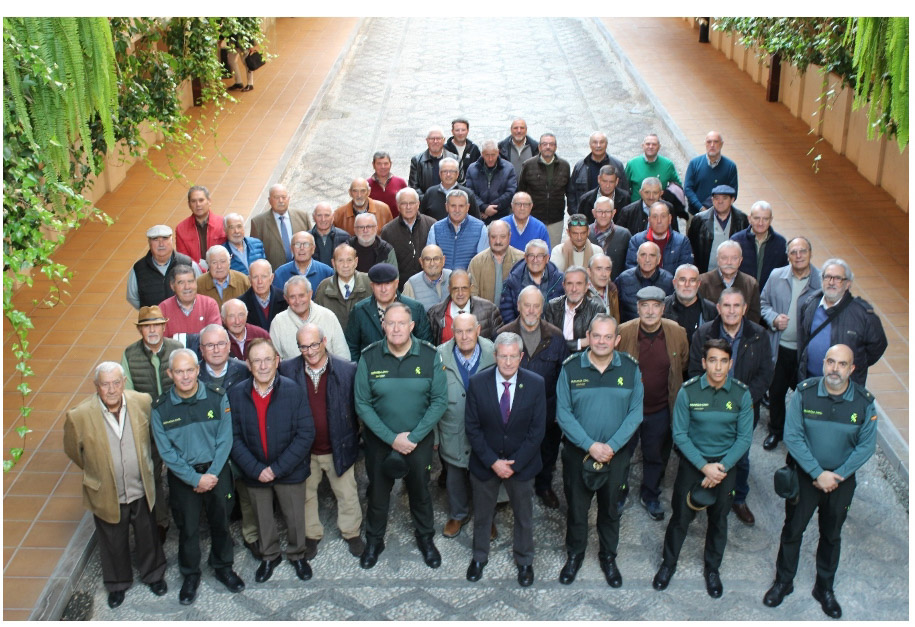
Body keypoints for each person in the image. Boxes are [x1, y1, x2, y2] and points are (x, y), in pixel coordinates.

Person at [762, 344, 877, 619]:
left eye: (841, 364)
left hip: (841, 481)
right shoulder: (805, 393)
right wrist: (817, 473)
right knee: (792, 530)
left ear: (852, 369)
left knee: (831, 534)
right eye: (830, 362)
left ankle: (824, 588)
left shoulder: (863, 402)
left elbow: (866, 447)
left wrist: (836, 475)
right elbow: (793, 436)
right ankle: (783, 582)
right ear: (823, 363)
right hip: (805, 477)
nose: (834, 369)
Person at [652, 339, 753, 597]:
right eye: (712, 360)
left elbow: (744, 438)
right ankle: (668, 564)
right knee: (680, 518)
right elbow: (680, 434)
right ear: (704, 362)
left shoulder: (741, 394)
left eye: (723, 361)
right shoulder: (689, 391)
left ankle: (712, 569)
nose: (717, 367)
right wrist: (703, 467)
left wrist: (720, 467)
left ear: (730, 364)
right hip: (694, 462)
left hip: (725, 465)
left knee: (719, 519)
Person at [64, 362, 167, 609]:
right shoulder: (79, 415)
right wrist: (98, 471)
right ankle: (117, 584)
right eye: (105, 384)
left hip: (140, 486)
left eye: (116, 382)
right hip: (106, 491)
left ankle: (153, 574)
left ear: (124, 382)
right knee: (112, 539)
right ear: (96, 386)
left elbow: (152, 438)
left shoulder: (141, 402)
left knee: (147, 534)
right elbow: (74, 452)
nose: (111, 389)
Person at [354, 302, 448, 569]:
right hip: (379, 444)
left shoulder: (430, 356)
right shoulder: (370, 356)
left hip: (418, 443)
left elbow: (439, 401)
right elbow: (362, 403)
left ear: (412, 327)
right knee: (378, 494)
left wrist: (414, 436)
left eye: (401, 323)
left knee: (421, 492)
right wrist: (391, 438)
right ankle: (374, 541)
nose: (396, 329)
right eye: (390, 323)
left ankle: (426, 539)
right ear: (383, 326)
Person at [150, 349, 244, 605]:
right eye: (179, 371)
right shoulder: (161, 408)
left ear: (197, 370)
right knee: (188, 529)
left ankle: (223, 566)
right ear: (170, 374)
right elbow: (166, 452)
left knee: (221, 522)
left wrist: (212, 474)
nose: (185, 376)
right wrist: (194, 478)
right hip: (184, 478)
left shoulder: (217, 397)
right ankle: (190, 574)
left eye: (190, 370)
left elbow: (225, 439)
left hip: (216, 472)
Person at [556, 314, 643, 588]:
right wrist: (590, 445)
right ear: (588, 337)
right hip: (577, 454)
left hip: (615, 457)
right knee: (577, 509)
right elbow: (563, 413)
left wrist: (612, 447)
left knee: (610, 510)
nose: (602, 341)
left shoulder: (630, 369)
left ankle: (608, 557)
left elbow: (635, 413)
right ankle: (575, 555)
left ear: (617, 339)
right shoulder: (571, 368)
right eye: (597, 336)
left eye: (608, 337)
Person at [229, 339, 315, 583]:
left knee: (295, 518)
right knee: (262, 518)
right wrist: (257, 469)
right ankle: (270, 556)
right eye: (257, 360)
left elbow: (305, 433)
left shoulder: (294, 390)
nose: (263, 365)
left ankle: (298, 555)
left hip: (289, 470)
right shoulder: (236, 394)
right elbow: (233, 437)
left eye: (268, 359)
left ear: (277, 361)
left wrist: (277, 469)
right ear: (248, 364)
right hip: (254, 472)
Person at [464, 332, 546, 587]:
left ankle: (524, 561)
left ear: (521, 357)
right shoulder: (478, 383)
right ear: (495, 355)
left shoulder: (535, 383)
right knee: (483, 514)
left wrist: (515, 464)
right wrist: (493, 462)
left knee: (523, 515)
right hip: (486, 462)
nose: (508, 362)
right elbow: (473, 428)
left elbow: (537, 430)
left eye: (513, 357)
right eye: (503, 356)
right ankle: (479, 556)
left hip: (521, 464)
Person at [279, 324, 364, 559]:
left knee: (347, 492)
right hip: (304, 449)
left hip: (339, 444)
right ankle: (311, 535)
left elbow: (357, 407)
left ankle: (352, 532)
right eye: (304, 346)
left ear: (324, 341)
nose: (310, 350)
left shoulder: (347, 370)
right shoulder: (286, 370)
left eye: (314, 344)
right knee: (305, 494)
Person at [689, 288, 772, 526]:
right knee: (704, 451)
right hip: (709, 409)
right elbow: (695, 371)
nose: (732, 311)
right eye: (727, 306)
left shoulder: (759, 335)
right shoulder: (704, 334)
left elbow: (765, 374)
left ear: (745, 309)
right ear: (718, 308)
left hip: (744, 409)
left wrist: (743, 401)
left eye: (737, 306)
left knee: (741, 456)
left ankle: (738, 497)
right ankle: (700, 495)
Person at [616, 287, 689, 520]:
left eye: (655, 306)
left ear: (662, 308)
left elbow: (683, 364)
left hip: (659, 409)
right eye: (644, 306)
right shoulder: (624, 332)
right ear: (637, 308)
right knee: (622, 454)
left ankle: (650, 494)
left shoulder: (676, 333)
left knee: (655, 455)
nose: (649, 311)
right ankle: (618, 493)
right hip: (628, 410)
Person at [497, 286, 570, 509]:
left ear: (542, 308)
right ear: (518, 306)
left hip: (547, 410)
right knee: (512, 451)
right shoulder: (503, 335)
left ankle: (544, 487)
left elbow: (563, 377)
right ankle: (508, 491)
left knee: (547, 452)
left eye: (536, 305)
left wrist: (560, 410)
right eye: (526, 305)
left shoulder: (556, 337)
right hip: (513, 412)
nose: (530, 310)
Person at [195, 323, 257, 557]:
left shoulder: (244, 370)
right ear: (201, 349)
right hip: (209, 445)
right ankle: (222, 539)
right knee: (217, 497)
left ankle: (252, 535)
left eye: (221, 343)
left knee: (247, 492)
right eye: (210, 345)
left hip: (242, 441)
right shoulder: (194, 375)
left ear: (229, 346)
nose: (216, 349)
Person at [435, 313, 496, 539]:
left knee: (485, 477)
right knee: (455, 475)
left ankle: (485, 517)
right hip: (452, 426)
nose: (464, 336)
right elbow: (432, 396)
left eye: (469, 330)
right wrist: (434, 437)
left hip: (485, 429)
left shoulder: (492, 352)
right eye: (458, 331)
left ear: (478, 330)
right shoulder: (440, 354)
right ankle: (458, 514)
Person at [759, 237, 822, 450]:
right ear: (788, 256)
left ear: (810, 253)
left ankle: (802, 435)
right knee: (776, 393)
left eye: (802, 251)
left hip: (807, 353)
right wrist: (773, 318)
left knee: (805, 396)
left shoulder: (821, 282)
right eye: (793, 252)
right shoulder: (777, 276)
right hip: (780, 348)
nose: (798, 256)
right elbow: (762, 303)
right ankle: (776, 430)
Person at [796, 258, 887, 386]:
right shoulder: (810, 303)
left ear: (848, 284)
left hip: (844, 388)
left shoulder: (863, 314)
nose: (832, 282)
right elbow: (803, 337)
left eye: (838, 278)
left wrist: (856, 364)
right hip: (811, 383)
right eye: (828, 277)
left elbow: (878, 346)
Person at [345, 263, 432, 356]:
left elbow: (425, 346)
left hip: (408, 368)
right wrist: (361, 369)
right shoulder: (359, 311)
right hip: (371, 368)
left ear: (396, 283)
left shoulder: (415, 308)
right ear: (372, 286)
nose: (383, 289)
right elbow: (351, 347)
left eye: (387, 283)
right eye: (378, 284)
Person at [269, 275, 349, 361]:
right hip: (291, 374)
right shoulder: (278, 322)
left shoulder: (328, 316)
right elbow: (274, 360)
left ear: (310, 294)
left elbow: (343, 355)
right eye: (292, 297)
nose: (298, 301)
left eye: (301, 295)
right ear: (286, 298)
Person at [127, 224, 200, 309]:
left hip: (185, 319)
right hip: (154, 321)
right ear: (149, 242)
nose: (161, 244)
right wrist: (150, 313)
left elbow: (201, 290)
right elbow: (132, 298)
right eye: (155, 240)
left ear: (171, 240)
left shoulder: (188, 264)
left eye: (165, 239)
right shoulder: (139, 268)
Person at [381, 187, 438, 291]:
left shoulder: (432, 225)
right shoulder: (387, 231)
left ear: (418, 204)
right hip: (401, 289)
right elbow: (386, 264)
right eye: (404, 203)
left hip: (429, 286)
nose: (408, 207)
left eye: (412, 203)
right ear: (398, 206)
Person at [518, 133, 571, 245]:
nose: (548, 147)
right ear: (539, 147)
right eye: (545, 144)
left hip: (556, 220)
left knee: (552, 251)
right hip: (533, 218)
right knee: (531, 250)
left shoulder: (564, 166)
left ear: (555, 147)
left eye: (551, 144)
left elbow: (569, 192)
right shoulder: (528, 165)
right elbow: (520, 191)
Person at [499, 239, 565, 324]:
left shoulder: (559, 281)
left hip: (551, 333)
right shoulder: (512, 281)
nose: (535, 260)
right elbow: (507, 312)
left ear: (547, 258)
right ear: (525, 258)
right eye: (531, 255)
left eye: (540, 256)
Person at [250, 184, 314, 270]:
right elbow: (255, 253)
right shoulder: (258, 223)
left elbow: (311, 243)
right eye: (276, 197)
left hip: (303, 270)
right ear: (269, 200)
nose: (281, 201)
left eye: (284, 197)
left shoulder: (302, 216)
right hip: (275, 274)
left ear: (288, 198)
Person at [427, 270, 502, 343]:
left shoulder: (490, 310)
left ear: (471, 288)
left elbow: (499, 344)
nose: (460, 293)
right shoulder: (434, 313)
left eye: (464, 288)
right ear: (449, 289)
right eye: (455, 289)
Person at [543, 266, 607, 352]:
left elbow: (594, 344)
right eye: (569, 284)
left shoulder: (597, 310)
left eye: (579, 284)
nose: (574, 289)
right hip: (555, 361)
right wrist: (580, 343)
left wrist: (562, 345)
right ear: (563, 286)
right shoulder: (552, 306)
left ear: (586, 286)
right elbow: (548, 343)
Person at [687, 184, 748, 273]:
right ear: (712, 200)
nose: (720, 201)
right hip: (705, 273)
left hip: (732, 273)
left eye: (725, 198)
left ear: (732, 200)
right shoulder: (699, 220)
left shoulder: (742, 220)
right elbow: (691, 246)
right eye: (716, 198)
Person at [697, 240, 762, 324]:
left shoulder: (751, 284)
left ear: (740, 260)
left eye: (734, 258)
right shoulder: (702, 282)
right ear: (717, 259)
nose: (729, 262)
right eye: (724, 258)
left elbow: (754, 318)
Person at [567, 131, 628, 217]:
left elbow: (624, 191)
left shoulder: (617, 165)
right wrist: (576, 213)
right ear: (590, 144)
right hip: (586, 215)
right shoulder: (580, 166)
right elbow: (571, 192)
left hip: (612, 216)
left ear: (606, 144)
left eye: (601, 142)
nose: (598, 145)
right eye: (595, 142)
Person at [729, 200, 787, 289]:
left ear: (771, 220)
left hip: (768, 296)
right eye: (756, 218)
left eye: (765, 219)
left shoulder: (780, 243)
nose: (760, 223)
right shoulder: (736, 240)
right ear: (749, 219)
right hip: (741, 294)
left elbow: (784, 272)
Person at [426, 189, 488, 271]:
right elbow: (430, 261)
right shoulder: (435, 229)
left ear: (467, 207)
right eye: (453, 206)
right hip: (442, 282)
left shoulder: (481, 229)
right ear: (446, 207)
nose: (457, 210)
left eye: (461, 206)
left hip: (469, 282)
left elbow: (482, 264)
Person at [313, 243, 370, 330]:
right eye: (340, 261)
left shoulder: (369, 283)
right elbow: (317, 320)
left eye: (349, 260)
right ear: (333, 263)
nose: (345, 265)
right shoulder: (324, 287)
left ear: (356, 261)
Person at [624, 202, 693, 274]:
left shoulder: (682, 242)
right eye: (654, 217)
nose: (659, 221)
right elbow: (631, 269)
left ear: (670, 219)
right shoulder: (636, 241)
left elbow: (685, 272)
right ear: (649, 220)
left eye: (663, 216)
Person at [468, 220, 525, 306]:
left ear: (509, 236)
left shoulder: (522, 260)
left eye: (502, 236)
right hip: (485, 316)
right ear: (488, 236)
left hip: (515, 317)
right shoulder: (476, 262)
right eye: (493, 237)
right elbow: (472, 295)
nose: (498, 241)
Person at [614, 242, 674, 323]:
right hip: (629, 331)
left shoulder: (668, 280)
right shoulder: (623, 279)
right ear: (637, 258)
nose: (647, 260)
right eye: (643, 255)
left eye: (652, 255)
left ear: (659, 259)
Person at [683, 130, 739, 215]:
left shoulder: (730, 167)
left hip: (720, 216)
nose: (712, 145)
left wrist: (719, 209)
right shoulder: (694, 163)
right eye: (709, 142)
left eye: (716, 142)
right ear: (705, 144)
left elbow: (733, 193)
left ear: (721, 144)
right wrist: (701, 208)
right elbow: (688, 189)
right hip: (696, 215)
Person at [464, 139, 518, 224]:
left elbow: (511, 192)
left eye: (493, 155)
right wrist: (483, 208)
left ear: (498, 152)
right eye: (487, 155)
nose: (490, 159)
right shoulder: (472, 169)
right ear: (482, 154)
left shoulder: (508, 168)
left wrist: (491, 208)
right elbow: (469, 192)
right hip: (478, 217)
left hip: (502, 216)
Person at [159, 264, 221, 337]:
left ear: (196, 283)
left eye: (190, 281)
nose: (187, 287)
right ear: (172, 286)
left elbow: (216, 337)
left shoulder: (209, 304)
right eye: (181, 283)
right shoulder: (163, 309)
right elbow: (163, 343)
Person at [662, 264, 717, 345]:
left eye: (692, 280)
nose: (687, 285)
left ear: (698, 284)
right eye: (682, 280)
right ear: (674, 283)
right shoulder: (662, 307)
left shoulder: (711, 310)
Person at [175, 185, 226, 266]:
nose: (198, 204)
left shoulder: (223, 224)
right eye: (193, 201)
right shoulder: (181, 229)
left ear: (209, 201)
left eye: (201, 200)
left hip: (221, 269)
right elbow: (183, 258)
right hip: (194, 272)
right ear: (189, 204)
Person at [587, 196, 631, 280]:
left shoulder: (624, 235)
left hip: (617, 286)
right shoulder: (585, 234)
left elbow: (628, 264)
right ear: (594, 213)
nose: (603, 215)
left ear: (613, 213)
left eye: (607, 211)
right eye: (599, 211)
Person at [409, 126, 457, 199]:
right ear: (427, 140)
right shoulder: (417, 161)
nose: (435, 141)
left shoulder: (455, 160)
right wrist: (428, 201)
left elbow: (460, 185)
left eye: (438, 138)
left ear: (444, 140)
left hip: (450, 205)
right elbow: (414, 187)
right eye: (432, 139)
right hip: (426, 206)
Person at [239, 259, 288, 331]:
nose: (260, 281)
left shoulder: (285, 299)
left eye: (264, 276)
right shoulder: (241, 304)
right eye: (255, 277)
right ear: (249, 279)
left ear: (271, 278)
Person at [402, 245, 452, 309]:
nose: (432, 263)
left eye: (436, 259)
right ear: (421, 262)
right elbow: (404, 313)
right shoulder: (411, 285)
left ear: (443, 260)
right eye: (427, 259)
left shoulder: (453, 278)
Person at [368, 151, 409, 218]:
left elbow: (408, 203)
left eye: (386, 163)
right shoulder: (366, 185)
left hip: (397, 225)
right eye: (379, 164)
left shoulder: (401, 183)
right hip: (374, 226)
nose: (383, 167)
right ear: (373, 165)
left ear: (390, 164)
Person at [309, 202, 350, 266]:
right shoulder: (306, 238)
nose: (323, 219)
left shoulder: (344, 237)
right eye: (319, 215)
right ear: (314, 217)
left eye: (327, 215)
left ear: (333, 217)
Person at [445, 118, 481, 183]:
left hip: (469, 187)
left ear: (468, 131)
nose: (460, 133)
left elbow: (479, 170)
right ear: (452, 131)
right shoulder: (444, 149)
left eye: (463, 130)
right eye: (457, 130)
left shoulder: (474, 149)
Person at [586, 254, 621, 321]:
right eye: (599, 269)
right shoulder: (582, 291)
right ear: (589, 272)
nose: (604, 274)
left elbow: (616, 319)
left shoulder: (612, 289)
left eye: (607, 269)